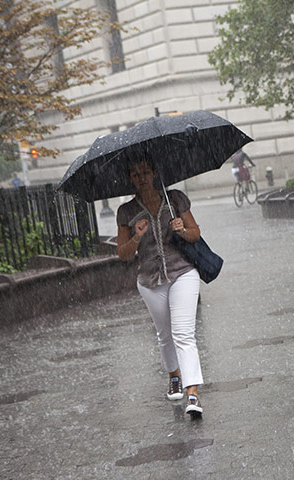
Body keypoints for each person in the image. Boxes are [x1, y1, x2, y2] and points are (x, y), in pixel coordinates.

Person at [116, 158, 205, 419]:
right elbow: (122, 254)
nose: (141, 177)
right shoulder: (126, 212)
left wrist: (181, 229)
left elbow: (195, 233)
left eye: (145, 171)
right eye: (135, 173)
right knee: (165, 335)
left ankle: (193, 393)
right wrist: (137, 236)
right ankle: (174, 375)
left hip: (183, 273)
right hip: (149, 281)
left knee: (184, 334)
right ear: (130, 178)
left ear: (154, 172)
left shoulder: (174, 198)